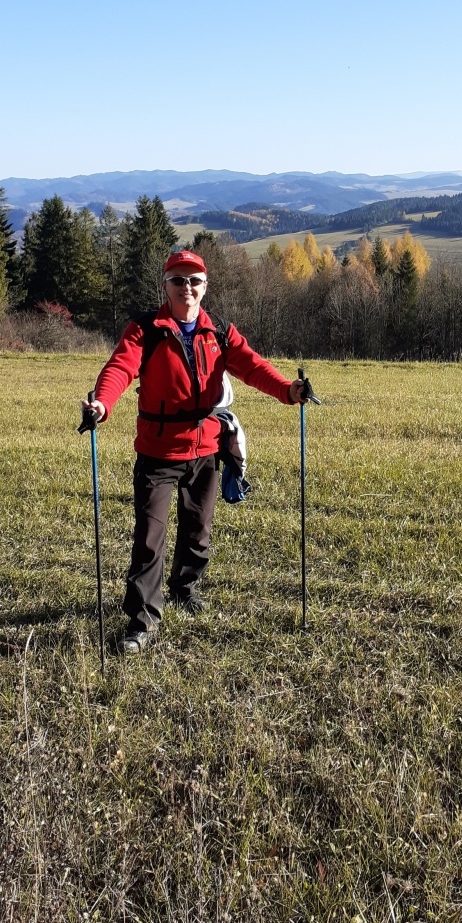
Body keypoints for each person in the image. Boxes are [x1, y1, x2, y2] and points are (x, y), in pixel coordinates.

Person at [84, 249, 308, 654]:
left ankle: (185, 587)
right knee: (150, 538)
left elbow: (252, 366)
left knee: (198, 531)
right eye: (178, 280)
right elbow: (120, 368)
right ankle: (142, 622)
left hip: (206, 448)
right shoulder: (145, 329)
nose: (186, 288)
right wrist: (102, 403)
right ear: (165, 285)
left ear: (205, 287)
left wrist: (288, 392)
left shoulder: (218, 330)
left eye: (194, 281)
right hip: (158, 452)